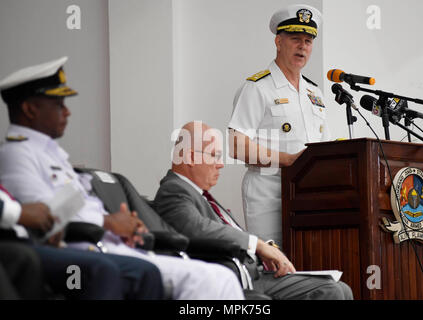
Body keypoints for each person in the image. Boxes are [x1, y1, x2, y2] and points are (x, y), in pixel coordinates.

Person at [0, 57, 244, 300]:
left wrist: (124, 225)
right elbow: (46, 217)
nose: (67, 111)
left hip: (110, 244)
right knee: (205, 280)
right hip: (81, 247)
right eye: (58, 104)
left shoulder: (52, 155)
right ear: (30, 109)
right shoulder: (16, 154)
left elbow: (69, 206)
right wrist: (109, 222)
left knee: (220, 277)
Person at [154, 121, 352, 300]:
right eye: (215, 156)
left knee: (341, 288)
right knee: (331, 290)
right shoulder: (174, 190)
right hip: (237, 279)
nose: (221, 164)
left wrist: (266, 247)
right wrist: (259, 245)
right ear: (190, 157)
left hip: (254, 272)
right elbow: (197, 228)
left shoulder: (196, 194)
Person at [228, 4, 331, 247]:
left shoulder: (314, 93)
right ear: (278, 42)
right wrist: (289, 160)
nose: (302, 46)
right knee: (277, 266)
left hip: (310, 195)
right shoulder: (257, 87)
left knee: (311, 263)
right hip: (269, 196)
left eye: (308, 40)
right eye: (295, 38)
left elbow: (324, 147)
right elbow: (237, 147)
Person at [1, 185, 164, 300]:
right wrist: (19, 212)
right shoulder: (19, 153)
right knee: (101, 269)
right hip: (20, 245)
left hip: (38, 238)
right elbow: (24, 212)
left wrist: (51, 228)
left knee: (147, 273)